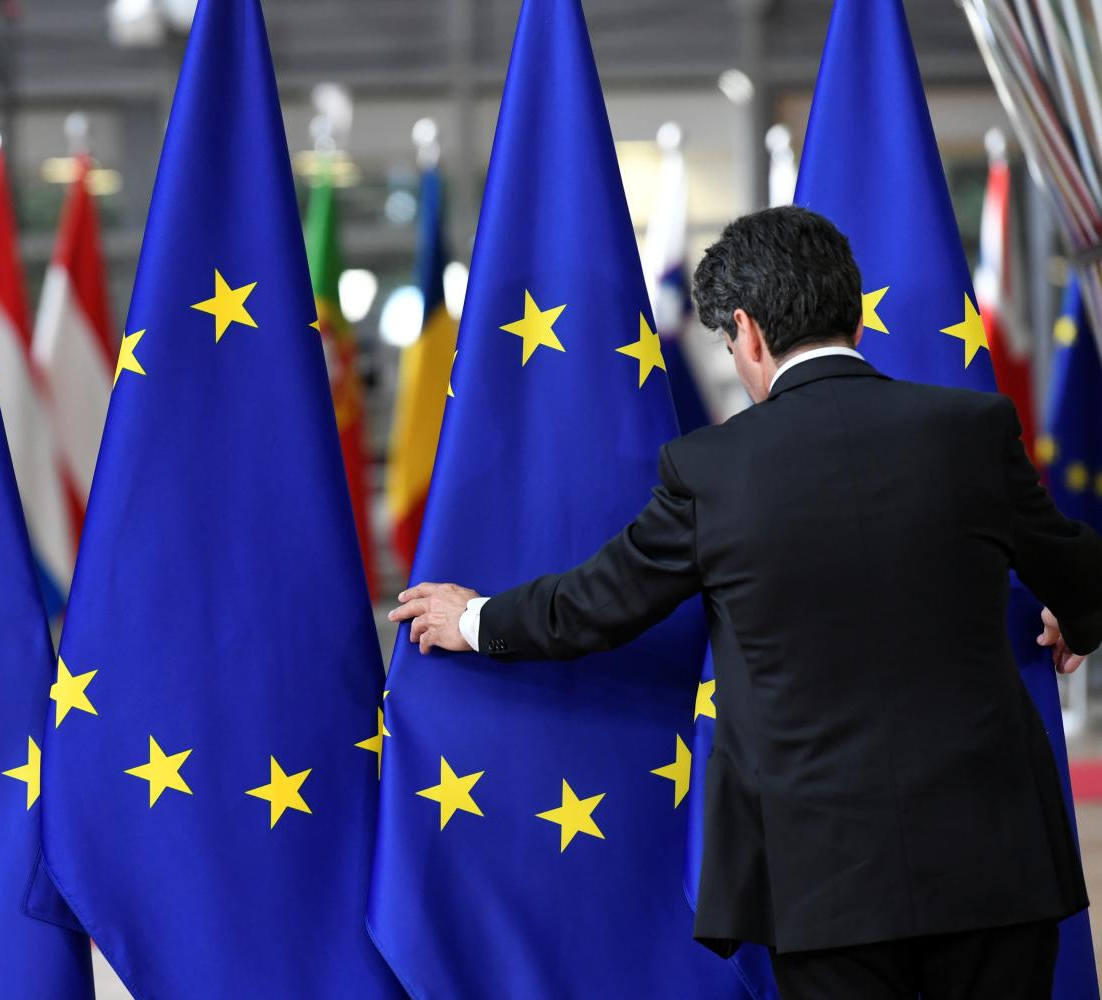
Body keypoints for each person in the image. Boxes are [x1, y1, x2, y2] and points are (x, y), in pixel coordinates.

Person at [390, 205, 1102, 1000]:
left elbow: (594, 603)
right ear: (854, 312)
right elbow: (1079, 568)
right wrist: (1075, 617)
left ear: (748, 331)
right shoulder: (972, 429)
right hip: (996, 869)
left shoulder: (712, 470)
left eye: (728, 345)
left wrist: (474, 618)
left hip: (826, 889)